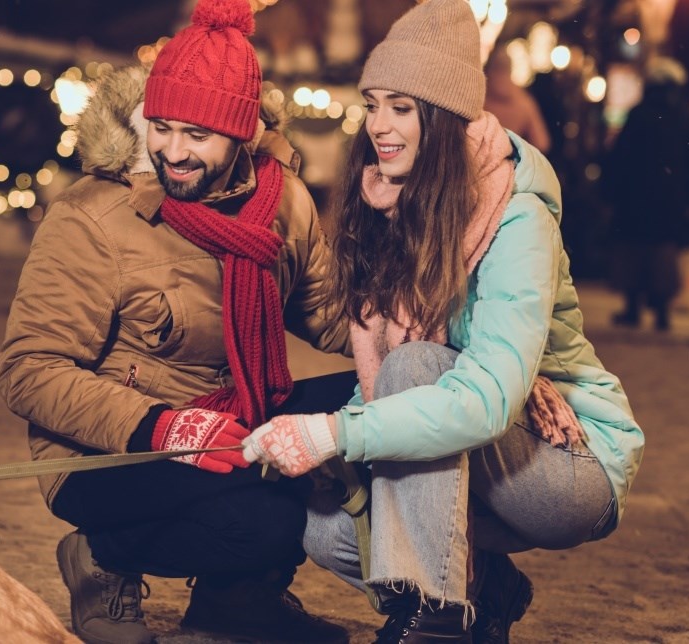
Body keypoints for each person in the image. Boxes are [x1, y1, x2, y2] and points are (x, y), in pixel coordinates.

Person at [239, 1, 644, 642]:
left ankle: (436, 620)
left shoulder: (517, 217)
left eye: (402, 107)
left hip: (569, 463)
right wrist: (329, 450)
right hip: (476, 444)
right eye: (372, 103)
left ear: (446, 115)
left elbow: (481, 398)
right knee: (330, 531)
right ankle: (486, 588)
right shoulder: (390, 205)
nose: (378, 126)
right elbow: (384, 354)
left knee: (418, 367)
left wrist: (335, 432)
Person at [0, 0, 352, 641]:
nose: (173, 152)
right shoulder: (94, 217)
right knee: (266, 520)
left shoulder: (283, 202)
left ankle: (236, 601)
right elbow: (28, 371)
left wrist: (439, 346)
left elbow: (334, 318)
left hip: (233, 418)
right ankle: (102, 559)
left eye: (198, 135)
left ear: (241, 134)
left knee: (372, 395)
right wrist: (162, 427)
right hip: (110, 451)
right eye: (161, 127)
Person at [601, 56, 689, 332]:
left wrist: (611, 192)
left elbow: (620, 158)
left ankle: (633, 307)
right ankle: (662, 311)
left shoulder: (639, 115)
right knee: (663, 254)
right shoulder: (683, 117)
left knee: (634, 251)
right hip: (669, 200)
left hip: (635, 198)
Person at [483, 47, 550, 155]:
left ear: (487, 67)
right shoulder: (523, 101)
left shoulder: (479, 96)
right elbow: (542, 143)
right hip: (511, 166)